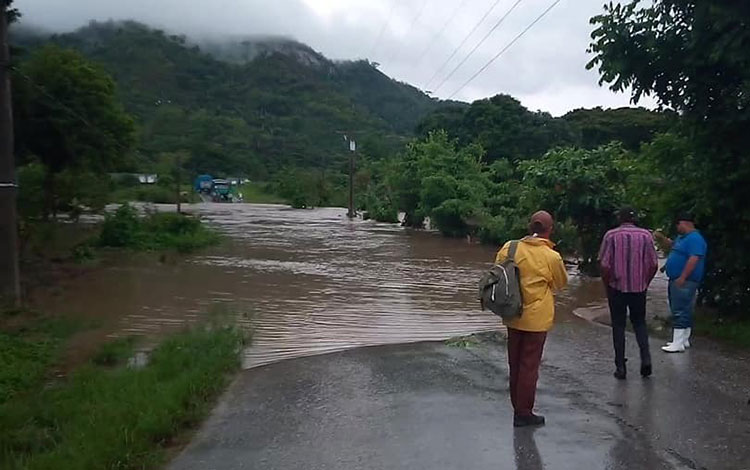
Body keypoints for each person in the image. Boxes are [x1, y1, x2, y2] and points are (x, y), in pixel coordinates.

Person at [495, 211, 567, 427]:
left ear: (529, 227)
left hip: (512, 313)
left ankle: (517, 406)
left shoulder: (510, 247)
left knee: (514, 362)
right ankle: (523, 413)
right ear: (550, 230)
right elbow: (560, 283)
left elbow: (498, 272)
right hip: (537, 319)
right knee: (529, 365)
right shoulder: (552, 256)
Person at [598, 207, 659, 379]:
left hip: (616, 287)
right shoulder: (646, 236)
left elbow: (604, 264)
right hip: (639, 288)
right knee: (640, 323)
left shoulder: (611, 236)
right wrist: (645, 282)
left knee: (618, 325)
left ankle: (620, 368)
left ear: (620, 219)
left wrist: (607, 282)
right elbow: (653, 264)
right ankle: (646, 359)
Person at [654, 213, 707, 353]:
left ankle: (677, 343)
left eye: (678, 225)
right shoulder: (683, 238)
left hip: (685, 280)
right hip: (678, 277)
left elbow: (694, 259)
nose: (677, 228)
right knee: (685, 308)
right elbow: (676, 249)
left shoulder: (695, 239)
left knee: (679, 309)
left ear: (683, 223)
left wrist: (683, 276)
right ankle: (683, 340)